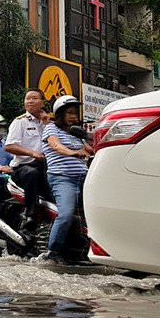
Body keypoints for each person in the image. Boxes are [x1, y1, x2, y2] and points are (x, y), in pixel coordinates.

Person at [36, 95, 93, 264]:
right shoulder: (51, 129)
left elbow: (91, 149)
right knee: (66, 214)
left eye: (76, 113)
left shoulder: (76, 133)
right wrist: (73, 152)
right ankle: (53, 252)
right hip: (63, 178)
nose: (74, 116)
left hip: (85, 177)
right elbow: (56, 146)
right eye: (69, 113)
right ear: (60, 114)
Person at [3, 89, 52, 231]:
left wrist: (47, 123)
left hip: (44, 166)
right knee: (32, 174)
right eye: (27, 98)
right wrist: (32, 153)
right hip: (22, 168)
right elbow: (9, 146)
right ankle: (31, 214)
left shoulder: (48, 122)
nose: (30, 101)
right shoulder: (20, 122)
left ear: (43, 102)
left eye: (34, 98)